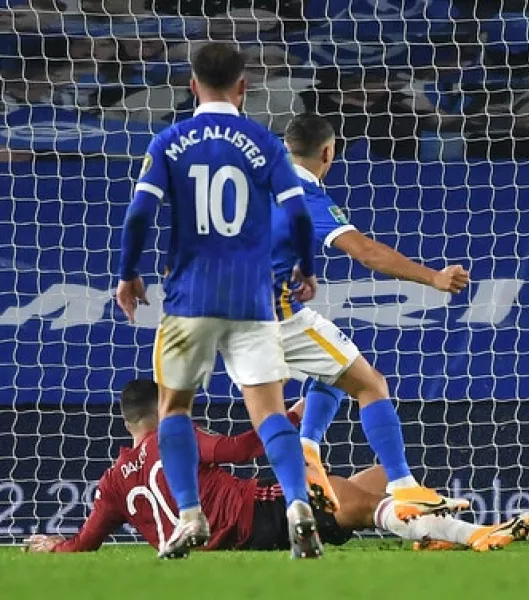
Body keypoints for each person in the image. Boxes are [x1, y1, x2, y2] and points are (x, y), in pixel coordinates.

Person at [114, 42, 321, 559]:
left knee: (174, 406)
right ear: (244, 87)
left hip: (189, 297)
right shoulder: (265, 142)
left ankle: (189, 515)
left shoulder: (170, 140)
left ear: (191, 85)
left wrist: (129, 273)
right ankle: (298, 502)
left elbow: (138, 215)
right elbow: (298, 215)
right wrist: (306, 267)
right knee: (268, 412)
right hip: (253, 298)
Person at [22, 380, 529, 554]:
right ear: (161, 410)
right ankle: (473, 533)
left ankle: (427, 532)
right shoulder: (170, 436)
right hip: (253, 519)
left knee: (374, 480)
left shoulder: (112, 483)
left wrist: (55, 544)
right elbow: (239, 450)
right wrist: (285, 417)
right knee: (347, 498)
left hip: (230, 532)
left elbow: (85, 541)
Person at [270, 113, 470, 519]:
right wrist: (434, 277)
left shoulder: (257, 173)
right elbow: (366, 252)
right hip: (271, 314)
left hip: (212, 310)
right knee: (371, 384)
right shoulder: (304, 195)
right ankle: (403, 487)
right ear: (329, 152)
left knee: (335, 366)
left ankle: (307, 449)